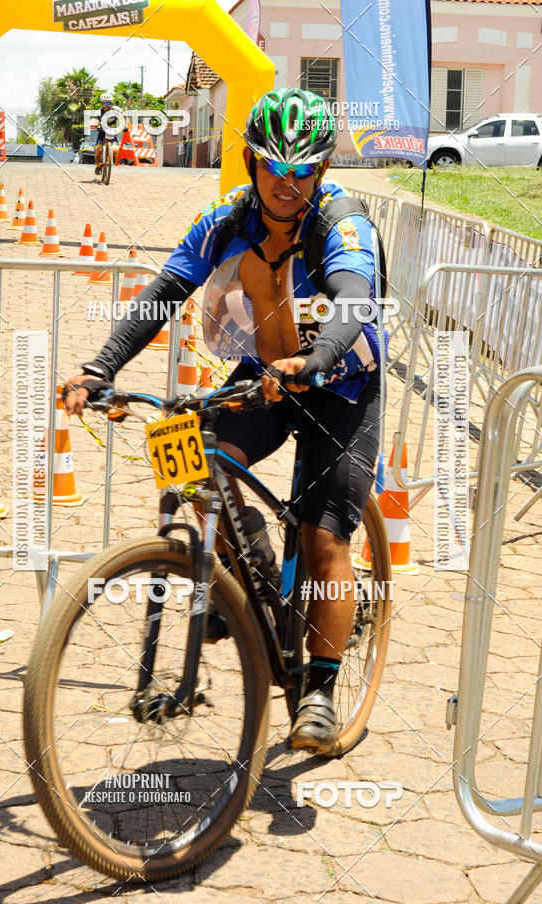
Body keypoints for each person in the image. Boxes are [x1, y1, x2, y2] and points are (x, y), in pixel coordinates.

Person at [64, 87, 385, 755]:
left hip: (341, 383)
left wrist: (317, 355)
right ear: (250, 162)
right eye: (274, 166)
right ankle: (253, 576)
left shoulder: (343, 223)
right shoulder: (226, 219)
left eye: (303, 171)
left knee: (323, 539)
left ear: (321, 172)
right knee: (188, 453)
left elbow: (354, 298)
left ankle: (319, 690)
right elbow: (165, 292)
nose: (287, 183)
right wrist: (101, 370)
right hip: (267, 376)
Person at [94, 92, 123, 175]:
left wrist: (126, 125)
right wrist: (95, 124)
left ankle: (108, 159)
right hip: (102, 133)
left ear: (111, 103)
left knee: (115, 150)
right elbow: (93, 120)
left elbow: (125, 117)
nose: (107, 105)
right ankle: (98, 166)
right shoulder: (98, 112)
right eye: (105, 103)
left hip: (112, 134)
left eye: (108, 103)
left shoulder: (116, 110)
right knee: (99, 150)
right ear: (102, 103)